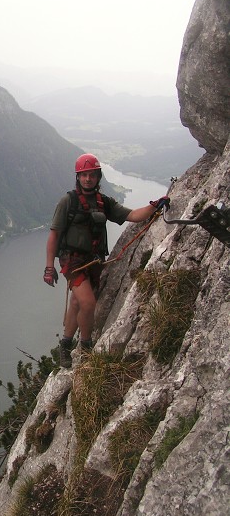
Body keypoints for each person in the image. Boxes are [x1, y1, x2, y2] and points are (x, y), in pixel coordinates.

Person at [43, 153, 170, 368]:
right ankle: (85, 347)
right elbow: (54, 235)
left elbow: (132, 215)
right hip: (72, 261)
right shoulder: (68, 201)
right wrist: (49, 267)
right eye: (84, 175)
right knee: (88, 302)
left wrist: (155, 205)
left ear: (98, 176)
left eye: (91, 175)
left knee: (76, 302)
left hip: (93, 261)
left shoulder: (104, 202)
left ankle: (64, 346)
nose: (88, 179)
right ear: (78, 177)